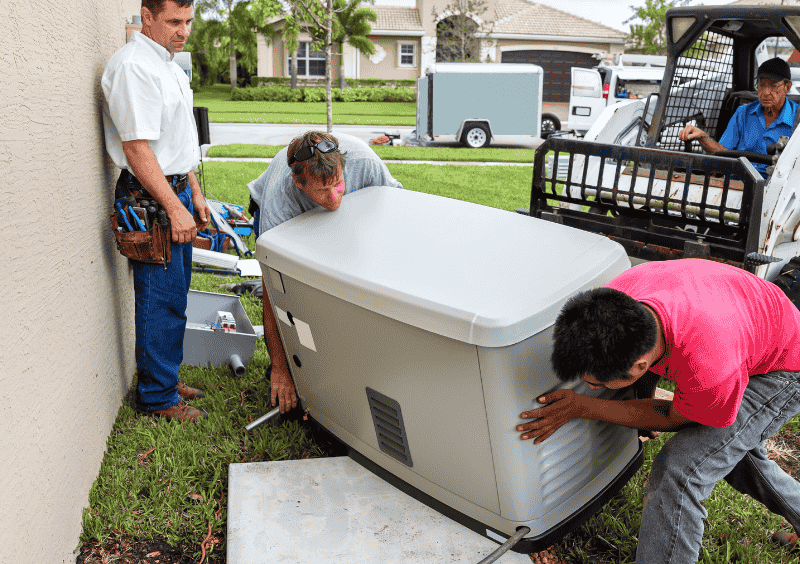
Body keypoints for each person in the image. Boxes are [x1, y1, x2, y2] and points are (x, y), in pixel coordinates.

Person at [515, 259, 800, 562]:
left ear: (638, 364)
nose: (594, 388)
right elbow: (653, 356)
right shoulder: (618, 301)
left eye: (597, 384)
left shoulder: (709, 364)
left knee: (681, 470)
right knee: (737, 458)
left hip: (784, 367)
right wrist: (641, 397)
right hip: (749, 322)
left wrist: (585, 406)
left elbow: (675, 417)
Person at [102, 0, 211, 422]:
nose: (183, 31)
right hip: (151, 199)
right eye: (173, 22)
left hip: (176, 192)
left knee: (175, 296)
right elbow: (137, 148)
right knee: (159, 299)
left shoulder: (167, 63)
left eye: (188, 22)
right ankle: (157, 397)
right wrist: (173, 206)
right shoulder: (134, 67)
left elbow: (177, 143)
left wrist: (195, 194)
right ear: (147, 17)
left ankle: (164, 376)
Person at [247, 131, 404, 413]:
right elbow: (272, 288)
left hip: (348, 215)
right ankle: (292, 371)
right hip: (288, 219)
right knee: (296, 293)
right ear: (297, 181)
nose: (333, 199)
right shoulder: (280, 199)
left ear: (344, 168)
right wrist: (280, 370)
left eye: (338, 185)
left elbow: (395, 216)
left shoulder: (365, 162)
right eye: (321, 191)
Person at [678, 57, 798, 177]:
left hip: (777, 188)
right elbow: (723, 153)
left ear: (787, 87)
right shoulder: (743, 113)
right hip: (738, 181)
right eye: (761, 85)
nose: (766, 92)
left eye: (773, 86)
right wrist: (702, 136)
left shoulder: (797, 117)